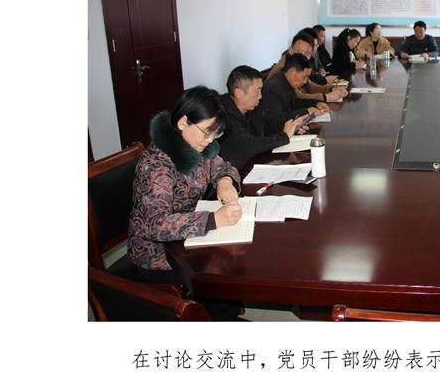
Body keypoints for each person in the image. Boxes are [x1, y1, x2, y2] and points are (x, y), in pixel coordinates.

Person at [127, 86, 245, 319]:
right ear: (183, 122)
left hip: (186, 238)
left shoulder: (196, 146)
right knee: (221, 273)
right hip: (158, 252)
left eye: (215, 134)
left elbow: (222, 166)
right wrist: (213, 219)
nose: (209, 140)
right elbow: (156, 225)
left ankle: (226, 314)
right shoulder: (157, 164)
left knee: (234, 258)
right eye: (207, 132)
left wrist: (225, 181)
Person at [218, 65, 309, 169]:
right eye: (257, 91)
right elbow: (249, 146)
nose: (260, 96)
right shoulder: (224, 115)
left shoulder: (249, 108)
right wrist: (284, 136)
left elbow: (266, 126)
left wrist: (290, 127)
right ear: (239, 93)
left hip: (254, 164)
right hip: (235, 173)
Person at [260, 54, 324, 128]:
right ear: (292, 72)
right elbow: (275, 121)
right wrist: (306, 112)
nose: (305, 82)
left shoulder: (286, 82)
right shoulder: (273, 89)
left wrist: (316, 104)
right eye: (304, 77)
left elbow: (296, 102)